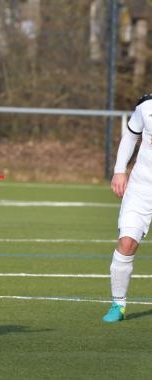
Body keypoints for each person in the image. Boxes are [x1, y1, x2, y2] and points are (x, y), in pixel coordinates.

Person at [102, 93, 152, 323]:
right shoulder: (147, 106)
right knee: (127, 242)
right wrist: (119, 170)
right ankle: (118, 304)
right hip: (142, 187)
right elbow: (131, 137)